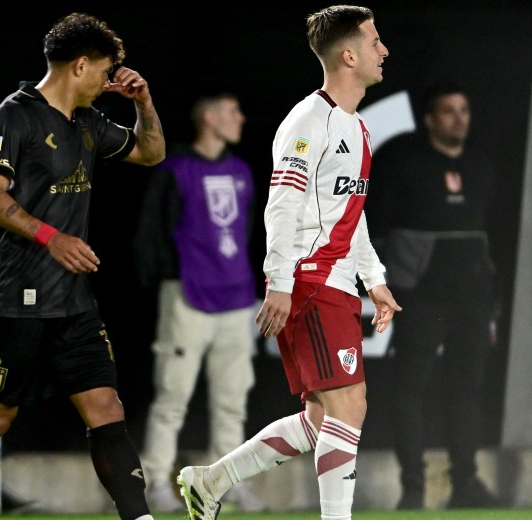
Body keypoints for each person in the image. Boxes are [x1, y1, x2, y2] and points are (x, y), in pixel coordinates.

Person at [177, 6, 401, 520]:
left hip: (338, 281)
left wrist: (375, 279)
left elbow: (352, 211)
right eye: (374, 42)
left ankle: (211, 481)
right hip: (309, 280)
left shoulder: (359, 128)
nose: (383, 50)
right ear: (349, 55)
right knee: (350, 406)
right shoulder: (307, 122)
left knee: (324, 420)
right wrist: (280, 283)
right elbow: (282, 205)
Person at [0, 12, 165, 520]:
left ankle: (141, 517)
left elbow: (151, 153)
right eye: (106, 71)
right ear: (81, 65)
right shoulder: (13, 116)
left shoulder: (87, 120)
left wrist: (144, 104)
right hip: (16, 300)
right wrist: (52, 237)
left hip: (73, 303)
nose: (109, 81)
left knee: (107, 409)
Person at [366, 83, 499, 509]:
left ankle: (466, 485)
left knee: (467, 389)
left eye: (464, 109)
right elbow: (379, 226)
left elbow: (493, 237)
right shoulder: (405, 161)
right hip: (419, 297)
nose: (459, 118)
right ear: (429, 119)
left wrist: (491, 300)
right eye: (448, 111)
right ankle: (413, 489)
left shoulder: (481, 164)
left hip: (472, 300)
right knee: (411, 387)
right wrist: (389, 284)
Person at [133, 93, 260, 513]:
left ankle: (227, 484)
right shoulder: (177, 170)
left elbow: (246, 237)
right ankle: (155, 483)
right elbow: (152, 232)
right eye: (231, 111)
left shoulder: (241, 171)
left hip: (238, 300)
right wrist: (169, 278)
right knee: (173, 397)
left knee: (232, 401)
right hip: (187, 298)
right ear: (208, 117)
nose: (240, 117)